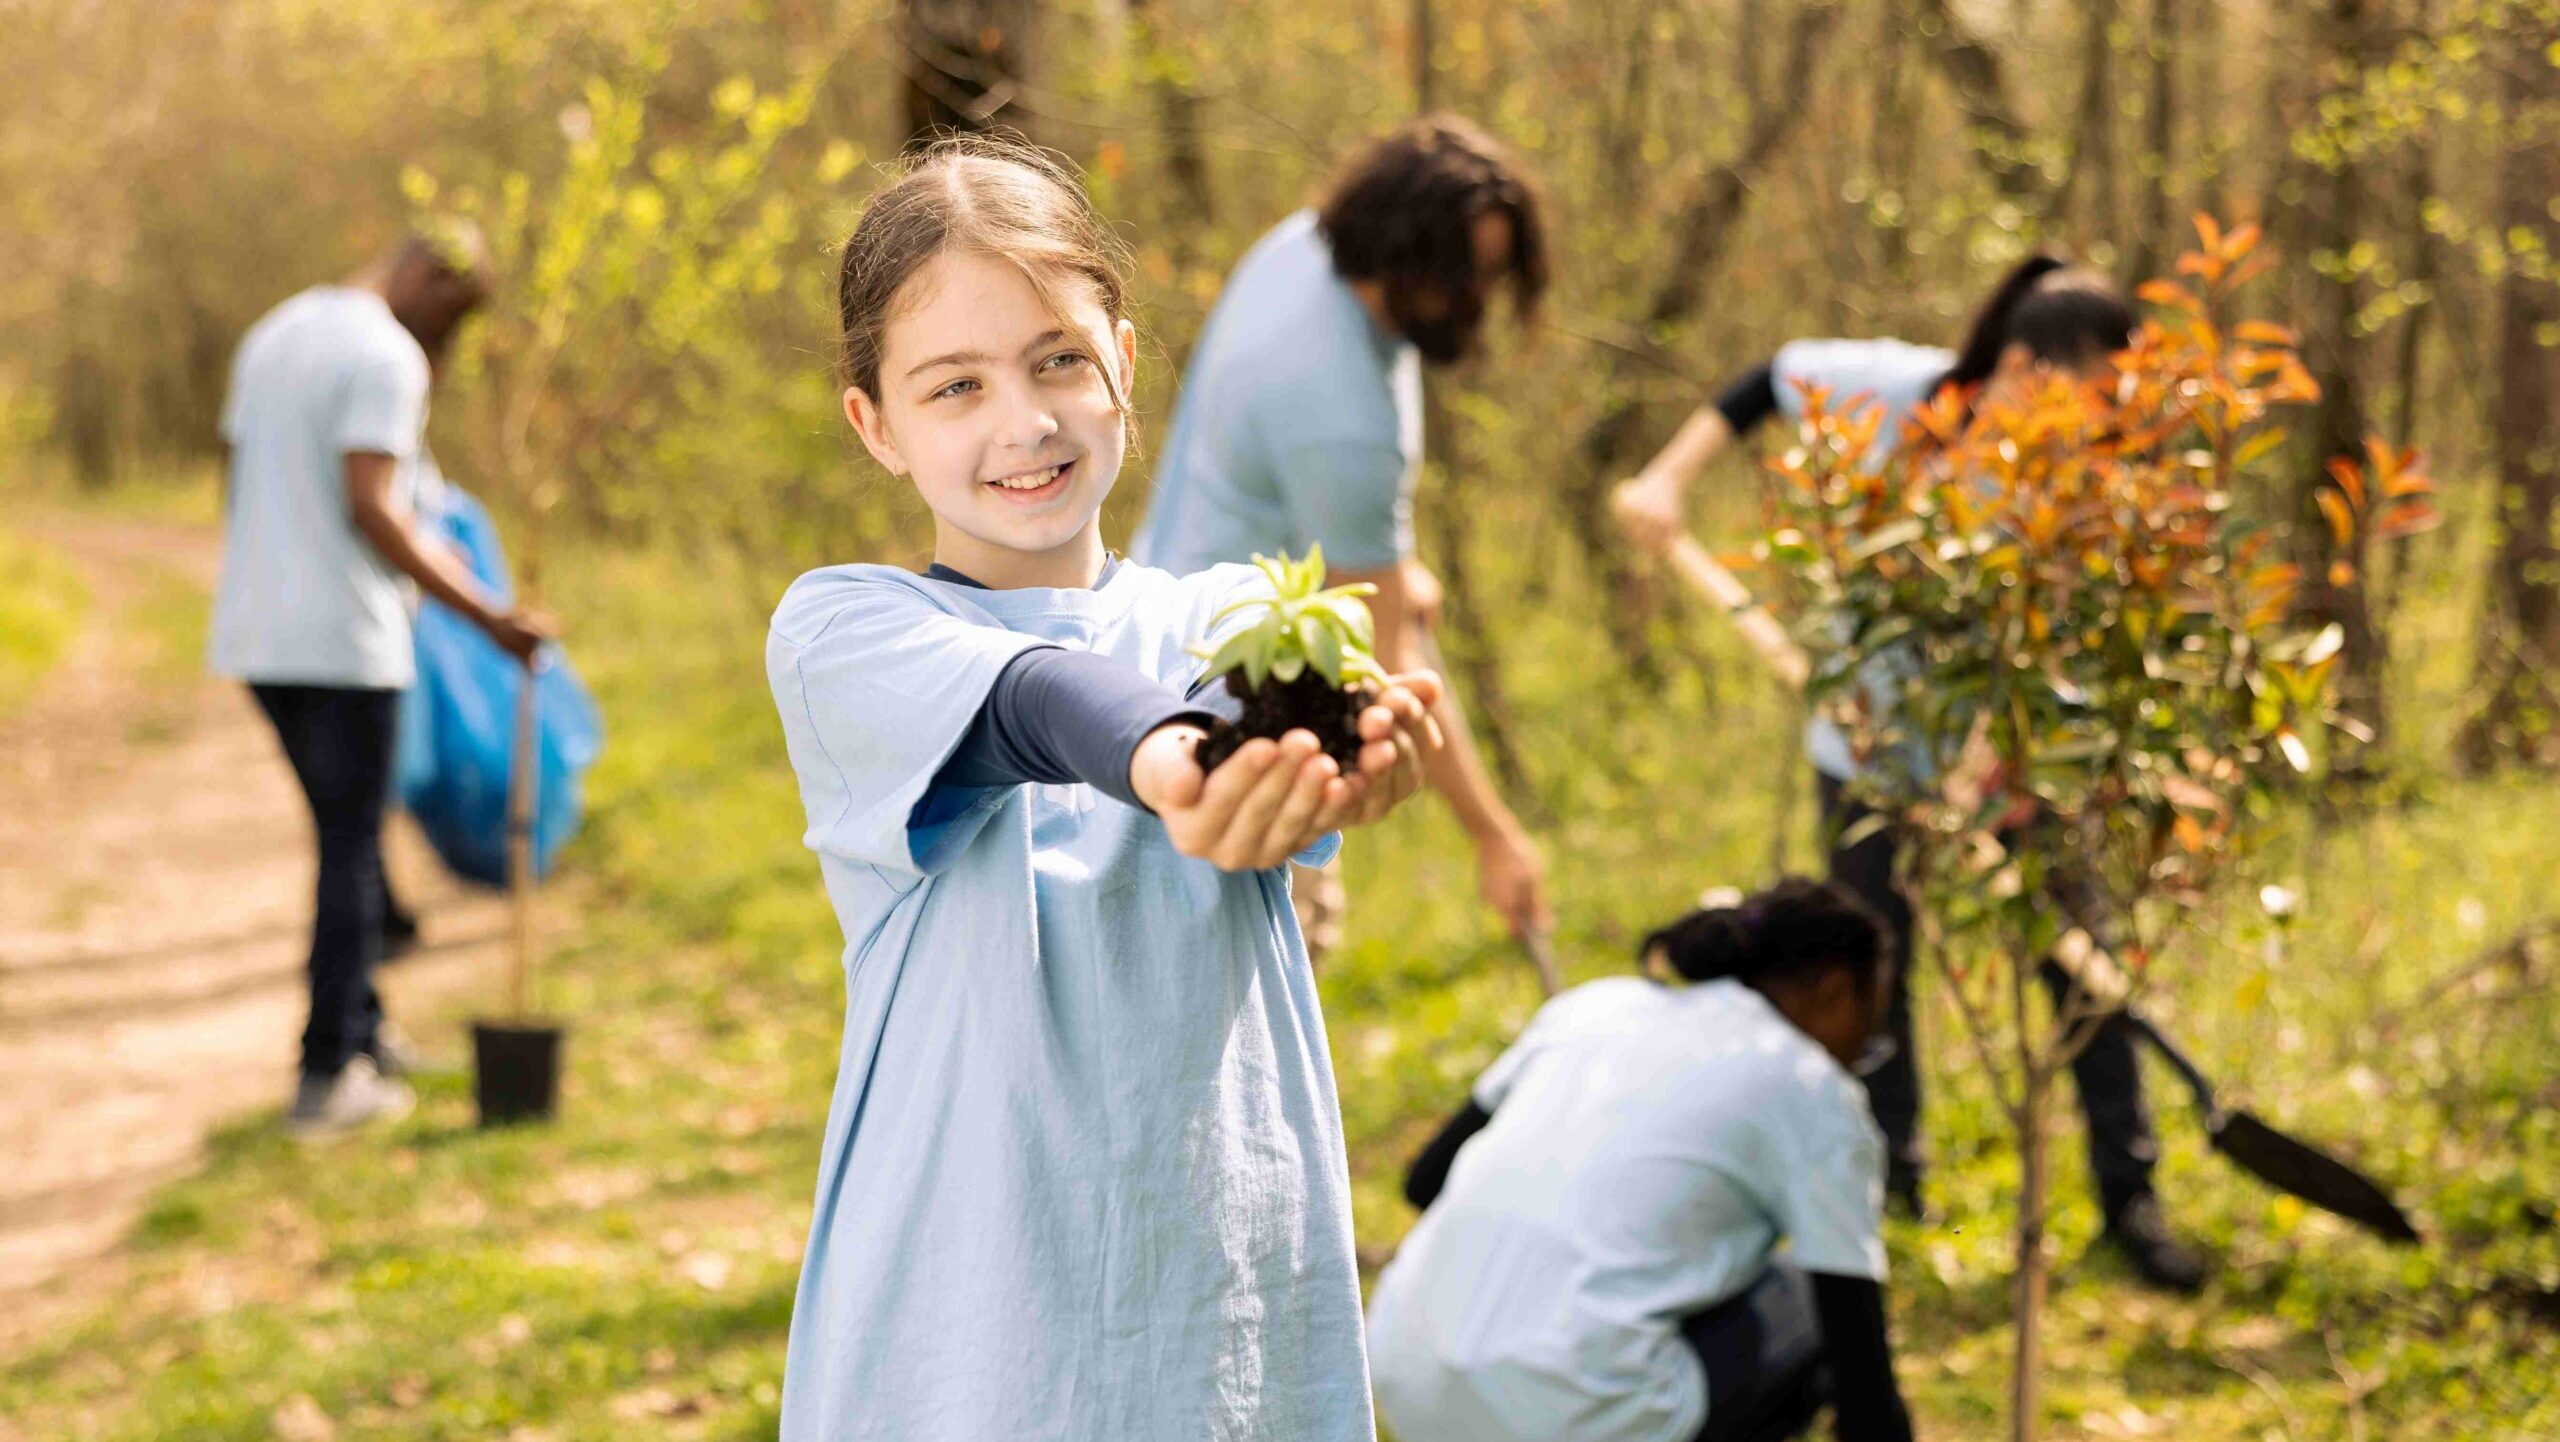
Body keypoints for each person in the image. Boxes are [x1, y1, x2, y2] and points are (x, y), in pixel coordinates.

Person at [765, 138, 1446, 1441]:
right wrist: (1173, 763)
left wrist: (1357, 759)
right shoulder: (846, 630)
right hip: (975, 1326)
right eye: (953, 386)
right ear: (876, 426)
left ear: (1125, 365)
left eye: (1057, 360)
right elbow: (1038, 697)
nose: (1021, 421)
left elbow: (1320, 697)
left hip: (1218, 1306)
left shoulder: (1231, 611)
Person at [1610, 256, 2208, 1292]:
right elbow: (1766, 378)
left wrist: (1996, 769)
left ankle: (2130, 1194)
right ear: (2020, 367)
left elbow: (2070, 633)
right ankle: (1891, 1183)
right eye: (2084, 395)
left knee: (2081, 968)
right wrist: (1666, 478)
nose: (2095, 424)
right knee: (1866, 967)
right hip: (1865, 749)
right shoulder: (1903, 398)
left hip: (2024, 757)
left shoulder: (2083, 479)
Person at [1130, 115, 1553, 960]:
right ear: (1405, 258)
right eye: (1464, 277)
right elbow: (1390, 680)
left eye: (1493, 274)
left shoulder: (1305, 251)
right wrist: (1494, 836)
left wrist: (1389, 560)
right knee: (1270, 984)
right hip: (1247, 725)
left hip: (1151, 616)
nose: (1479, 300)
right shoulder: (1347, 424)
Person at [1367, 879, 1916, 1442]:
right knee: (1805, 1293)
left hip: (1405, 1372)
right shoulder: (1811, 1086)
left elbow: (1424, 1180)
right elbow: (1862, 1372)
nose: (1860, 1052)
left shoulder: (1598, 1003)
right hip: (1568, 1411)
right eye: (1868, 1029)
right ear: (1834, 990)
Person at [210, 229, 549, 1136]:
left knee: (342, 835)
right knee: (351, 847)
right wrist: (490, 617)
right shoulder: (385, 356)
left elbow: (239, 483)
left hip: (256, 638)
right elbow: (375, 508)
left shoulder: (276, 331)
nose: (444, 344)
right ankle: (328, 1077)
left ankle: (361, 1030)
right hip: (342, 647)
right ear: (427, 283)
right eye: (450, 319)